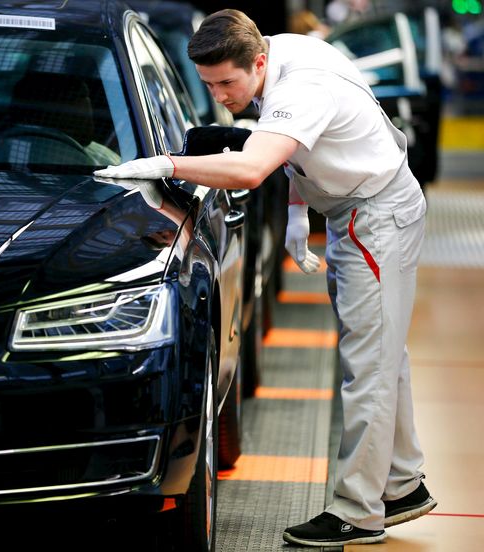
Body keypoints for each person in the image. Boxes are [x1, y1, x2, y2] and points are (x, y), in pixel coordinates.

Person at [94, 9, 437, 547]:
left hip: (375, 218)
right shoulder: (278, 50)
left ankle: (360, 510)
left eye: (228, 83)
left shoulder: (300, 90)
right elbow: (302, 145)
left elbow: (252, 167)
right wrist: (302, 208)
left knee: (368, 364)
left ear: (258, 62)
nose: (223, 96)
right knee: (382, 354)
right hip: (357, 206)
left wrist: (166, 166)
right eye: (209, 85)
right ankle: (400, 483)